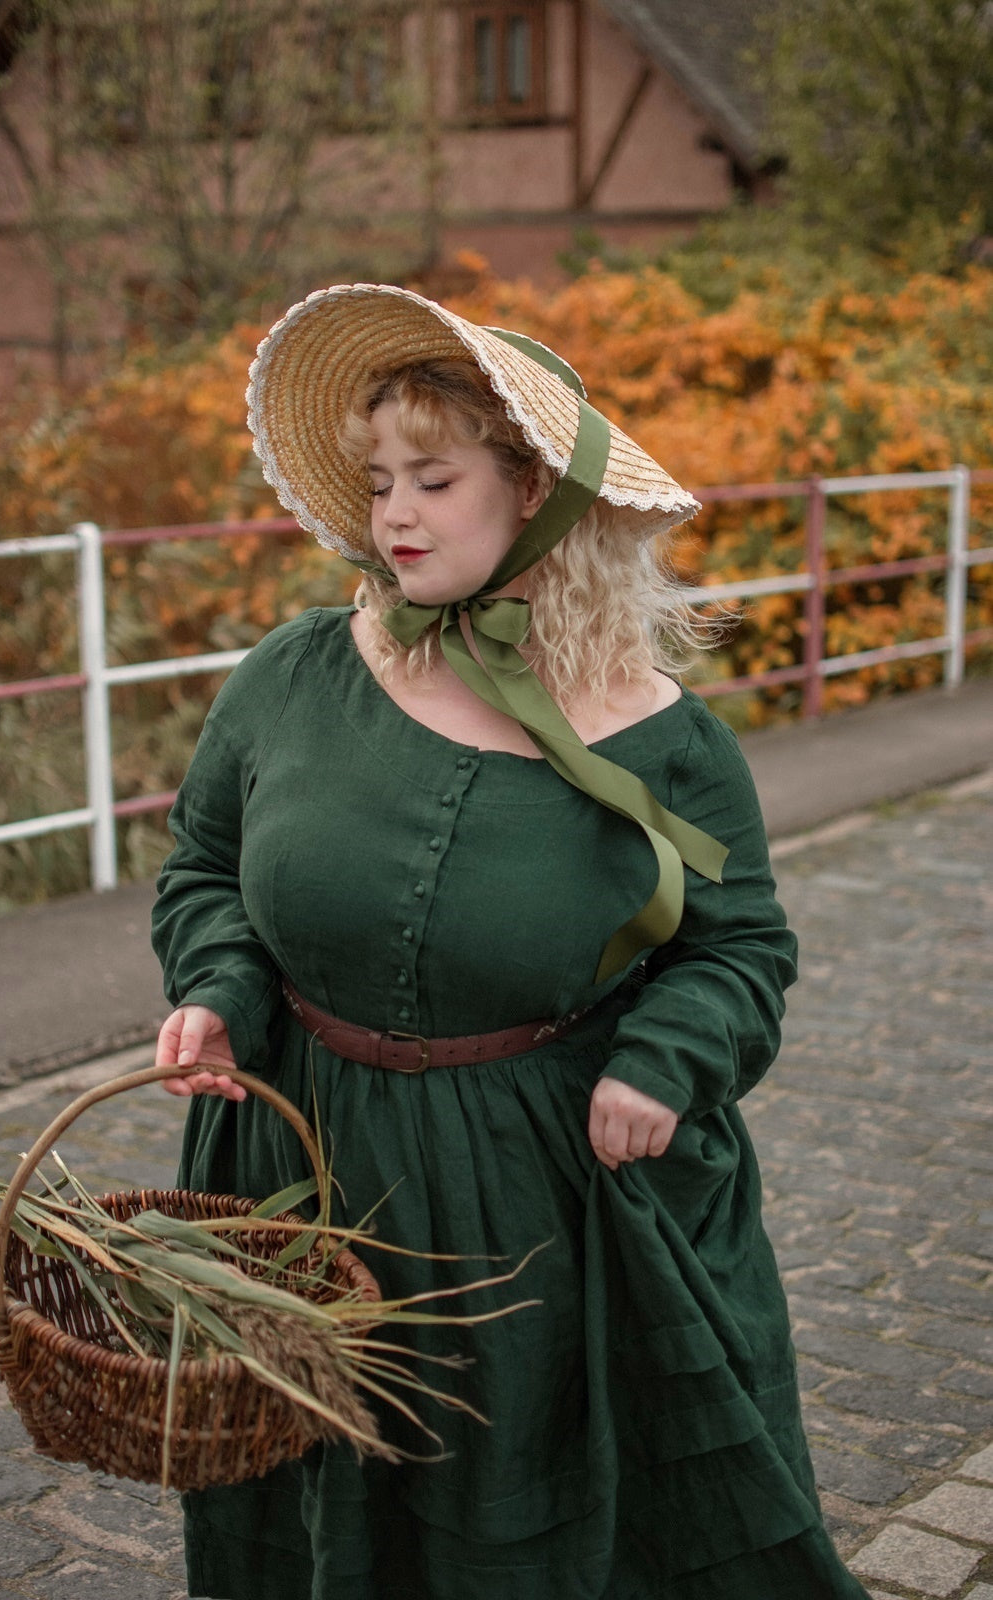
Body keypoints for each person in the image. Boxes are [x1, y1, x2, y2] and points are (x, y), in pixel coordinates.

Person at [152, 284, 871, 1600]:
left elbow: (737, 949)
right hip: (300, 1160)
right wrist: (217, 991)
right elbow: (203, 867)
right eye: (378, 483)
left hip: (527, 1204)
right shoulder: (291, 676)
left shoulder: (669, 741)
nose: (394, 517)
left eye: (433, 478)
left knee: (508, 1517)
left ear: (537, 490)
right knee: (309, 1504)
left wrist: (665, 1057)